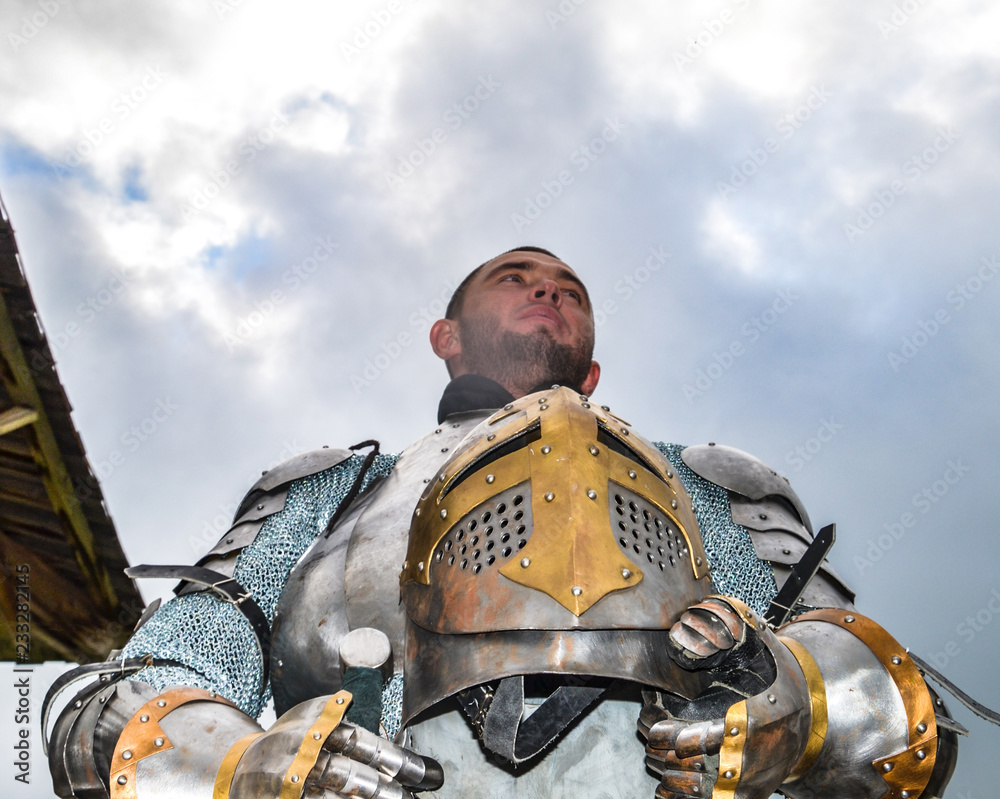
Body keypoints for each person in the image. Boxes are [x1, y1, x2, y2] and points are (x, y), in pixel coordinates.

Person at [45, 247, 959, 798]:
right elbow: (142, 686)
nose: (547, 291)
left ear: (593, 374)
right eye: (516, 278)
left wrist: (801, 706)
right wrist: (240, 765)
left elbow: (899, 713)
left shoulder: (715, 482)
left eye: (569, 286)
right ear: (444, 335)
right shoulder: (329, 487)